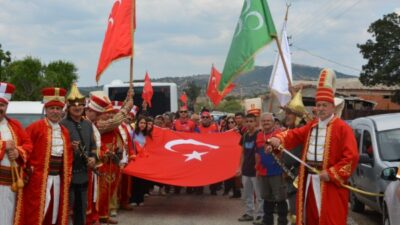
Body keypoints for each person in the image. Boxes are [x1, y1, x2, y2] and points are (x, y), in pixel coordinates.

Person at [268, 68, 359, 225]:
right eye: (318, 105)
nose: (321, 108)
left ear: (332, 106)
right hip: (309, 180)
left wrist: (331, 173)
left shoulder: (343, 128)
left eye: (324, 105)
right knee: (310, 218)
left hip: (330, 183)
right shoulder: (311, 126)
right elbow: (293, 135)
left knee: (331, 219)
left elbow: (351, 157)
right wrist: (277, 139)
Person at [24, 87, 73, 225]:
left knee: (55, 210)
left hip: (57, 178)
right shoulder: (35, 128)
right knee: (37, 211)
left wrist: (67, 175)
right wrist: (29, 171)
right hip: (38, 180)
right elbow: (25, 150)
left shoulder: (65, 132)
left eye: (58, 108)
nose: (55, 111)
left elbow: (68, 157)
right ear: (46, 109)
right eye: (52, 108)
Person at [60, 83, 97, 225]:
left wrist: (93, 158)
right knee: (66, 208)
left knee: (81, 209)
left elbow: (93, 146)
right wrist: (70, 149)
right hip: (67, 174)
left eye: (80, 105)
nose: (78, 107)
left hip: (83, 173)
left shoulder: (88, 124)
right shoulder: (62, 124)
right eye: (74, 105)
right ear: (68, 108)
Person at [0, 82, 32, 225]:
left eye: (2, 105)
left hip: (11, 182)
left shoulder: (15, 125)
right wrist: (4, 145)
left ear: (6, 107)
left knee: (9, 216)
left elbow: (28, 145)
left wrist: (18, 153)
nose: (0, 108)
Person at [254, 113, 287, 225]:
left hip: (277, 171)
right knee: (267, 197)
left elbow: (284, 151)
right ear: (261, 123)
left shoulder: (279, 134)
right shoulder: (259, 135)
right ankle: (267, 221)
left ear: (273, 122)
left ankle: (282, 221)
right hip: (263, 171)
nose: (266, 123)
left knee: (280, 197)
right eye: (264, 121)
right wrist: (257, 168)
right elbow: (258, 153)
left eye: (268, 121)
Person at [84, 91, 111, 225]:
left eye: (100, 114)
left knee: (94, 194)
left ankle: (94, 217)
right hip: (87, 166)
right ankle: (90, 219)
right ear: (89, 110)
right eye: (97, 114)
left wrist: (105, 151)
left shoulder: (93, 125)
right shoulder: (83, 124)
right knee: (88, 195)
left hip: (96, 166)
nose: (99, 117)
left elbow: (98, 144)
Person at [238, 113, 263, 222]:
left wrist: (259, 168)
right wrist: (240, 167)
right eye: (247, 121)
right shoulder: (244, 136)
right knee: (247, 194)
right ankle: (249, 213)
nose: (249, 123)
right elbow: (243, 153)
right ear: (244, 123)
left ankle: (261, 214)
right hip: (246, 170)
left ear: (256, 122)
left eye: (251, 121)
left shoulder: (260, 135)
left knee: (259, 195)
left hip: (256, 170)